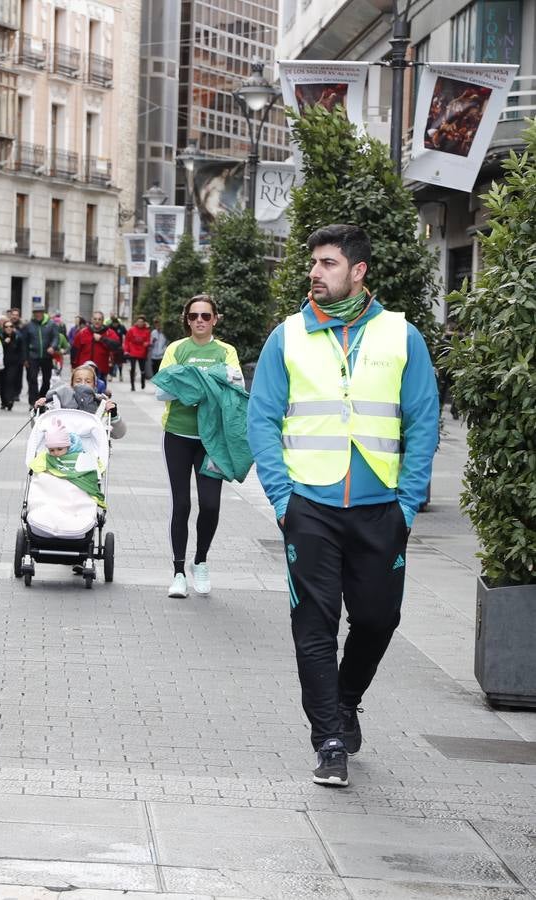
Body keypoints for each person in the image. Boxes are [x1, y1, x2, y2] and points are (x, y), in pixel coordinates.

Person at [247, 224, 438, 788]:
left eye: (328, 263)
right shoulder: (287, 336)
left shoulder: (403, 336)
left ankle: (347, 698)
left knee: (379, 619)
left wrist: (408, 504)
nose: (315, 272)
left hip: (382, 508)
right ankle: (328, 738)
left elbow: (423, 422)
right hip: (310, 506)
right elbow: (263, 418)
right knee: (314, 624)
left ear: (358, 271)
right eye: (313, 263)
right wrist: (282, 499)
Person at [155, 294, 242, 600]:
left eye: (206, 316)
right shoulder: (176, 348)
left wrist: (188, 381)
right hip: (178, 435)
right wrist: (208, 381)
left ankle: (200, 561)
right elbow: (162, 391)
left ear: (215, 319)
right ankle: (178, 572)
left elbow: (235, 385)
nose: (200, 321)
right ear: (187, 319)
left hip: (212, 440)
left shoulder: (226, 350)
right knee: (181, 504)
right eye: (194, 316)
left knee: (211, 505)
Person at [21, 308, 61, 402]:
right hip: (32, 356)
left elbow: (56, 337)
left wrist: (53, 346)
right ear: (33, 314)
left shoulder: (51, 324)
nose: (38, 314)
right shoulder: (28, 326)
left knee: (46, 380)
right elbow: (24, 343)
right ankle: (33, 401)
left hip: (47, 356)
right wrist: (25, 359)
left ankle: (42, 397)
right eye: (36, 312)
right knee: (32, 379)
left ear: (43, 313)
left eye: (39, 312)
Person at [0, 319, 26, 411]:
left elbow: (22, 349)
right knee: (2, 382)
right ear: (3, 328)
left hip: (14, 364)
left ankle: (10, 401)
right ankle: (3, 401)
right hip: (2, 363)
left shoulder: (17, 337)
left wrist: (22, 361)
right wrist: (5, 342)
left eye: (11, 326)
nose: (9, 328)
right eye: (6, 327)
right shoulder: (0, 336)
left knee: (10, 381)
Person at [124, 316, 153, 391]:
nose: (140, 323)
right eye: (138, 321)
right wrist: (126, 350)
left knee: (142, 369)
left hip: (142, 352)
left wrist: (147, 343)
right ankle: (132, 385)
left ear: (144, 323)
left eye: (141, 322)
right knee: (132, 369)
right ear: (136, 322)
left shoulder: (147, 331)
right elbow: (127, 340)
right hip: (133, 351)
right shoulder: (131, 330)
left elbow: (149, 340)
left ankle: (143, 382)